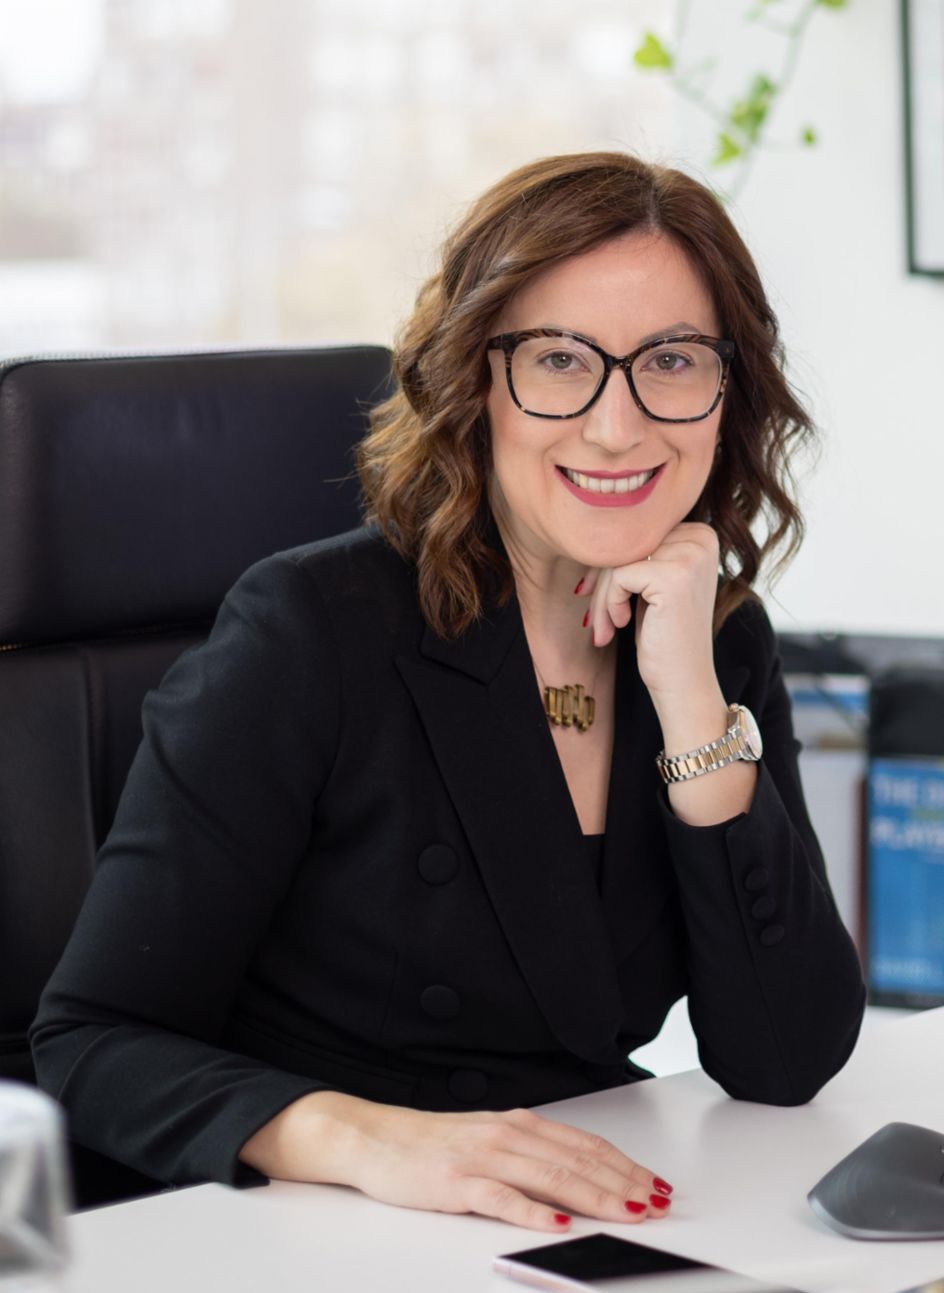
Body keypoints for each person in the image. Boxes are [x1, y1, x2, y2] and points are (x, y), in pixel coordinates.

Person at [31, 152, 866, 1232]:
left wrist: (692, 699)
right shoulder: (310, 631)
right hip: (302, 1235)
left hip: (561, 1227)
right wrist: (364, 1136)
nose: (618, 425)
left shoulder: (711, 638)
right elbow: (91, 1043)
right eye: (560, 361)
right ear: (476, 381)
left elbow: (785, 1059)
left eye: (670, 360)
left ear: (728, 390)